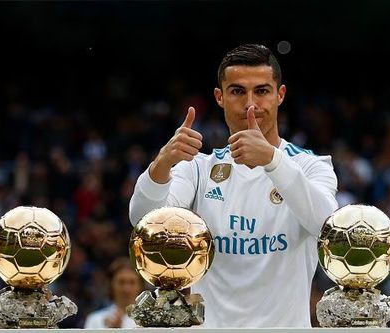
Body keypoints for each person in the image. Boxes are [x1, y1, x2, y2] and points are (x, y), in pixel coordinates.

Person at [129, 44, 338, 327]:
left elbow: (329, 227)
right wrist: (161, 164)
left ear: (280, 95)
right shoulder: (198, 168)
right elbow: (144, 222)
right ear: (220, 97)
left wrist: (272, 161)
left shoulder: (312, 166)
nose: (251, 103)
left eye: (262, 91)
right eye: (238, 91)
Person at [83, 258, 144, 328]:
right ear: (111, 285)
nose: (126, 289)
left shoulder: (149, 321)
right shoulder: (95, 320)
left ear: (140, 285)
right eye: (121, 282)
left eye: (132, 282)